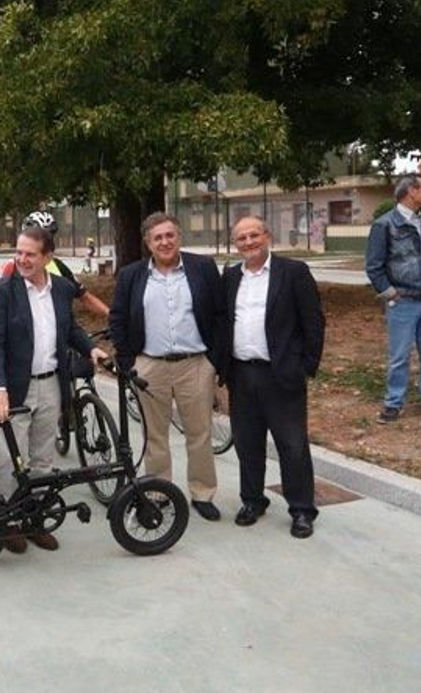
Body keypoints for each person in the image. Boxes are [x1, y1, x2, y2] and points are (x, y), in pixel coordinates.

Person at [0, 225, 105, 552]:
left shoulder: (62, 289)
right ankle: (7, 522)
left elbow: (70, 328)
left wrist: (88, 348)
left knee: (41, 457)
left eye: (29, 254)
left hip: (52, 383)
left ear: (47, 257)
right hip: (14, 389)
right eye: (18, 252)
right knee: (10, 457)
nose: (21, 259)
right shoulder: (4, 291)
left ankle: (33, 518)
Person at [108, 213, 225, 519]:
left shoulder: (203, 268)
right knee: (154, 436)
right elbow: (118, 318)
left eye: (169, 235)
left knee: (199, 434)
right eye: (157, 237)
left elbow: (219, 315)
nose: (164, 242)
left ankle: (202, 494)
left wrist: (215, 360)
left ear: (179, 237)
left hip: (195, 365)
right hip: (150, 366)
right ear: (148, 243)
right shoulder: (133, 275)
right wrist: (128, 361)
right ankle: (159, 492)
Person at [218, 217, 326, 538]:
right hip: (241, 374)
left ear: (267, 236)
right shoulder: (230, 276)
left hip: (281, 375)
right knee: (247, 443)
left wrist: (305, 366)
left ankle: (302, 510)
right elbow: (223, 321)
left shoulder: (293, 272)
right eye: (241, 238)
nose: (249, 242)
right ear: (235, 244)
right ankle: (253, 500)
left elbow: (313, 323)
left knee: (292, 445)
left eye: (254, 235)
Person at [364, 175, 421, 424]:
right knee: (400, 355)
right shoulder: (385, 225)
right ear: (411, 191)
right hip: (404, 301)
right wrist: (391, 293)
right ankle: (393, 403)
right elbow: (374, 266)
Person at [0, 211, 109, 320]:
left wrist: (113, 316)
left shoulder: (58, 266)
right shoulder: (11, 267)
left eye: (49, 238)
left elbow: (85, 297)